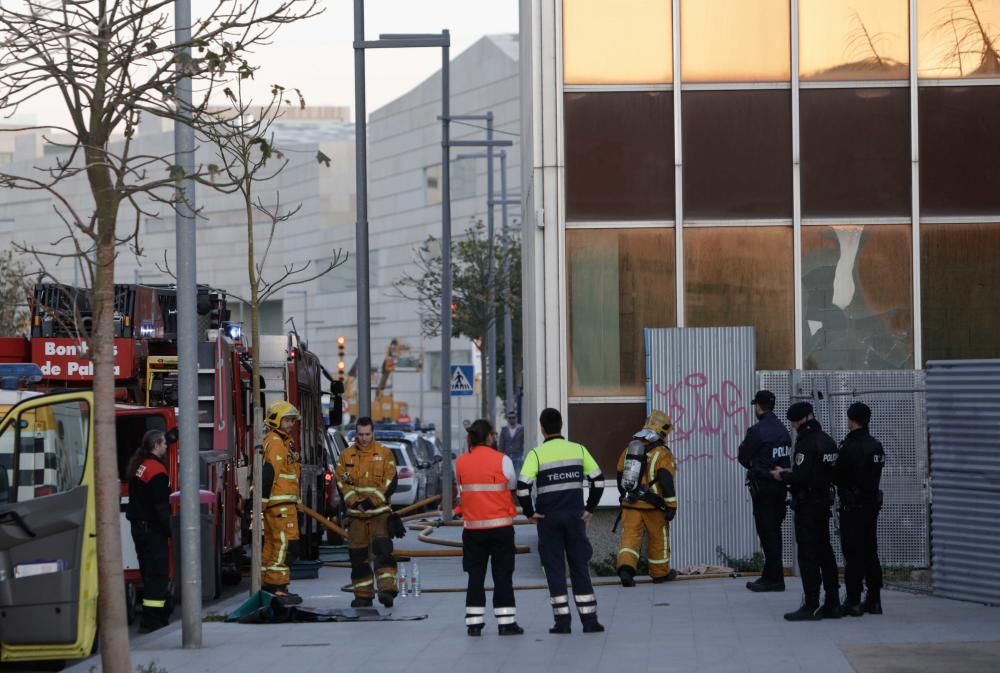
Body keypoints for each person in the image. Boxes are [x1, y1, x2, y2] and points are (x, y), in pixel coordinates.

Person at [517, 408, 605, 634]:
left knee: (554, 569)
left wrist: (529, 512)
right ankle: (590, 621)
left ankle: (562, 622)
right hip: (575, 518)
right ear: (561, 425)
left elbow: (523, 488)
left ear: (542, 428)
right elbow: (599, 480)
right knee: (579, 566)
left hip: (548, 520)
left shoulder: (536, 455)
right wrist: (589, 508)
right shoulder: (579, 450)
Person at [771, 402, 840, 621]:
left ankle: (811, 604)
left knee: (808, 556)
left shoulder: (806, 443)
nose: (793, 426)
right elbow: (824, 473)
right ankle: (833, 602)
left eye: (793, 422)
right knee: (826, 553)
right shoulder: (827, 440)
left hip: (808, 506)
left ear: (799, 421)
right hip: (823, 504)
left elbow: (802, 477)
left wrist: (782, 475)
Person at [455, 419, 523, 637]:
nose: (495, 438)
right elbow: (512, 485)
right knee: (502, 574)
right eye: (493, 435)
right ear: (488, 437)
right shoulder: (502, 460)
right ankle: (506, 623)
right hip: (501, 528)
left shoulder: (461, 462)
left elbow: (462, 490)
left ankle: (474, 623)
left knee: (475, 575)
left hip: (473, 530)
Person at [336, 416, 399, 608]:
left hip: (380, 515)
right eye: (361, 434)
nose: (364, 438)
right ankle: (363, 595)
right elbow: (341, 482)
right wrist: (354, 503)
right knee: (358, 557)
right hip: (356, 518)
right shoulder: (346, 456)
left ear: (373, 433)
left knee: (383, 554)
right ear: (356, 433)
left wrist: (371, 502)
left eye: (367, 434)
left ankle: (387, 591)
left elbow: (390, 482)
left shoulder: (385, 454)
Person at [615, 410, 678, 587]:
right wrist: (671, 505)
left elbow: (620, 474)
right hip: (653, 507)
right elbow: (666, 481)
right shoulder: (662, 453)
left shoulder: (630, 449)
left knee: (629, 539)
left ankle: (626, 571)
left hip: (631, 505)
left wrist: (625, 495)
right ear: (663, 432)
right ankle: (660, 574)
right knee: (659, 538)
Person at [738, 390, 792, 592]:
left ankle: (774, 579)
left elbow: (743, 456)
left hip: (763, 488)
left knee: (767, 533)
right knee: (774, 532)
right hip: (780, 488)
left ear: (758, 406)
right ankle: (770, 575)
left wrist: (755, 463)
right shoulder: (783, 430)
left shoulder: (757, 431)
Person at [835, 402, 885, 617]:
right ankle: (874, 599)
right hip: (871, 504)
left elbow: (837, 475)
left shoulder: (849, 446)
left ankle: (854, 600)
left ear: (851, 420)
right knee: (870, 551)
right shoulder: (876, 446)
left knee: (853, 554)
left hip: (852, 507)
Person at [126, 429, 171, 633]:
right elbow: (161, 507)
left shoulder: (140, 467)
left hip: (139, 529)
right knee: (157, 575)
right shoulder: (157, 471)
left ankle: (157, 614)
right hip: (152, 530)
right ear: (156, 446)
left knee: (148, 573)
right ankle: (152, 620)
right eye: (163, 443)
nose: (166, 446)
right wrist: (171, 530)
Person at [261, 401, 303, 604]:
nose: (291, 424)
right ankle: (278, 587)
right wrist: (263, 501)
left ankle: (267, 584)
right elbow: (271, 473)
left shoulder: (282, 442)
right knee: (285, 545)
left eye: (292, 420)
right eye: (287, 419)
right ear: (275, 419)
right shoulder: (277, 443)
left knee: (272, 544)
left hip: (281, 504)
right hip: (280, 506)